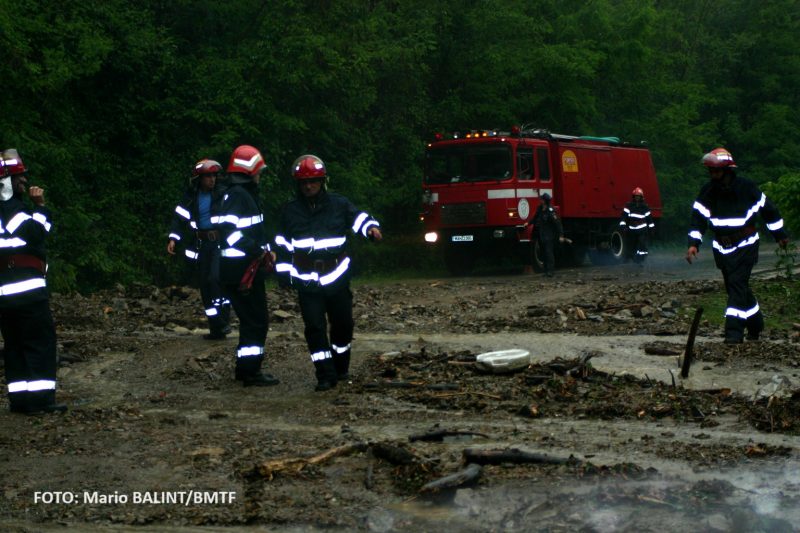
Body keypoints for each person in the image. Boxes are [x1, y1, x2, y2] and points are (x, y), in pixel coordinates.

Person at [274, 155, 382, 391]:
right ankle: (324, 373)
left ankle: (341, 367)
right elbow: (281, 246)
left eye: (313, 181)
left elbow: (358, 218)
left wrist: (371, 228)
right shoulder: (289, 212)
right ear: (298, 185)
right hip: (307, 282)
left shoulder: (338, 204)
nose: (309, 186)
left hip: (337, 277)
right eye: (304, 182)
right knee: (314, 328)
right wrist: (283, 276)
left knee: (343, 325)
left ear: (322, 181)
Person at [686, 147, 789, 344]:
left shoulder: (747, 187)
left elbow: (769, 210)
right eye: (711, 171)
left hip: (746, 244)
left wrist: (780, 235)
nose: (713, 175)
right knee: (736, 289)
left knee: (737, 285)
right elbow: (697, 220)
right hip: (722, 248)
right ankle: (756, 325)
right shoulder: (707, 191)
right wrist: (693, 244)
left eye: (717, 171)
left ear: (727, 170)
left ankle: (733, 333)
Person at [0, 149, 66, 414]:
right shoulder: (10, 209)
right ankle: (40, 401)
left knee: (15, 345)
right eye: (19, 178)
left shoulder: (10, 208)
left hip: (7, 291)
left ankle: (20, 399)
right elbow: (36, 234)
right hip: (25, 289)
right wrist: (40, 207)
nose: (25, 183)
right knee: (39, 342)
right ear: (6, 183)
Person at [216, 145, 279, 386]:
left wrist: (264, 249)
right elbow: (230, 234)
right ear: (250, 170)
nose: (260, 174)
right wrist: (258, 251)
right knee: (256, 322)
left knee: (251, 322)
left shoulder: (240, 194)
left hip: (242, 270)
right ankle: (251, 372)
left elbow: (250, 231)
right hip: (242, 272)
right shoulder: (240, 196)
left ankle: (245, 369)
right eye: (259, 170)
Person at [167, 159, 231, 340]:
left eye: (214, 176)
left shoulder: (223, 194)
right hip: (202, 244)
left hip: (220, 243)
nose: (212, 179)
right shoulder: (191, 197)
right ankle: (215, 328)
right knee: (204, 285)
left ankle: (223, 321)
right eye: (208, 176)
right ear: (199, 178)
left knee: (215, 279)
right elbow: (179, 218)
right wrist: (173, 237)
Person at [619, 187, 655, 264]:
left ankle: (640, 260)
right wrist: (623, 226)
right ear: (633, 197)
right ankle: (631, 258)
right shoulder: (629, 206)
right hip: (632, 229)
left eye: (638, 196)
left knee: (642, 244)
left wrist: (652, 229)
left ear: (641, 197)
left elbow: (649, 219)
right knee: (631, 245)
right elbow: (624, 217)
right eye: (636, 196)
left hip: (642, 229)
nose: (637, 198)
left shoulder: (645, 207)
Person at [532, 192, 563, 277]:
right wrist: (528, 223)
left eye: (541, 199)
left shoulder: (550, 210)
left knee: (549, 253)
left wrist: (561, 235)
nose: (540, 200)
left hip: (549, 235)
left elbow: (557, 223)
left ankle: (551, 271)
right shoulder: (539, 209)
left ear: (545, 201)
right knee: (543, 253)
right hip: (541, 235)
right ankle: (546, 271)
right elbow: (535, 218)